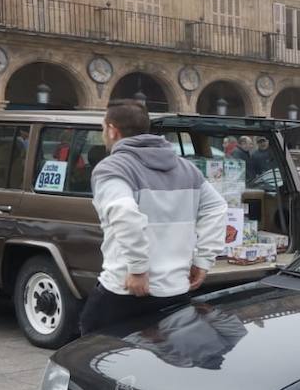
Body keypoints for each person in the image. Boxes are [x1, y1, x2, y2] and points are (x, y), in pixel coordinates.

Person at [81, 100, 227, 336]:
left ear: (111, 129)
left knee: (93, 358)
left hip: (127, 290)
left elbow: (124, 213)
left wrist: (138, 269)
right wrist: (203, 261)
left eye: (102, 129)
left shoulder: (112, 167)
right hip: (176, 291)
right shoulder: (187, 169)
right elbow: (217, 208)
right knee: (164, 361)